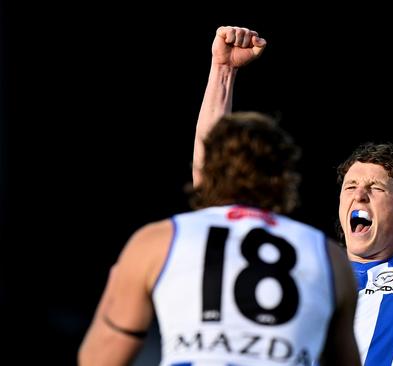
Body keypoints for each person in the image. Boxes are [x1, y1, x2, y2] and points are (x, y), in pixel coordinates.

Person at [192, 13, 393, 365]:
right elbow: (215, 198)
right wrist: (222, 71)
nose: (359, 194)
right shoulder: (305, 267)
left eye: (376, 188)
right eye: (350, 186)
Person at [78, 27, 361, 366]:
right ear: (285, 177)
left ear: (210, 172)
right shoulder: (330, 259)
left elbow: (98, 359)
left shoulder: (156, 243)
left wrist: (114, 297)